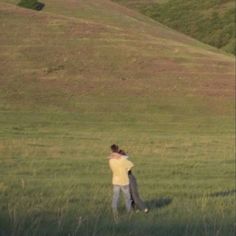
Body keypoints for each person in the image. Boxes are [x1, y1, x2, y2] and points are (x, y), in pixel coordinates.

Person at [118, 149, 149, 213]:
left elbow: (129, 167)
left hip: (130, 178)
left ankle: (144, 209)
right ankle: (134, 210)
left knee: (135, 195)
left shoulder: (126, 162)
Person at [108, 144, 134, 222]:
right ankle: (129, 212)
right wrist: (125, 156)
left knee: (115, 197)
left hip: (115, 181)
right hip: (124, 181)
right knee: (127, 198)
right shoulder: (123, 160)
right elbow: (130, 166)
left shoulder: (111, 160)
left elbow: (115, 157)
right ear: (118, 150)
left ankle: (114, 211)